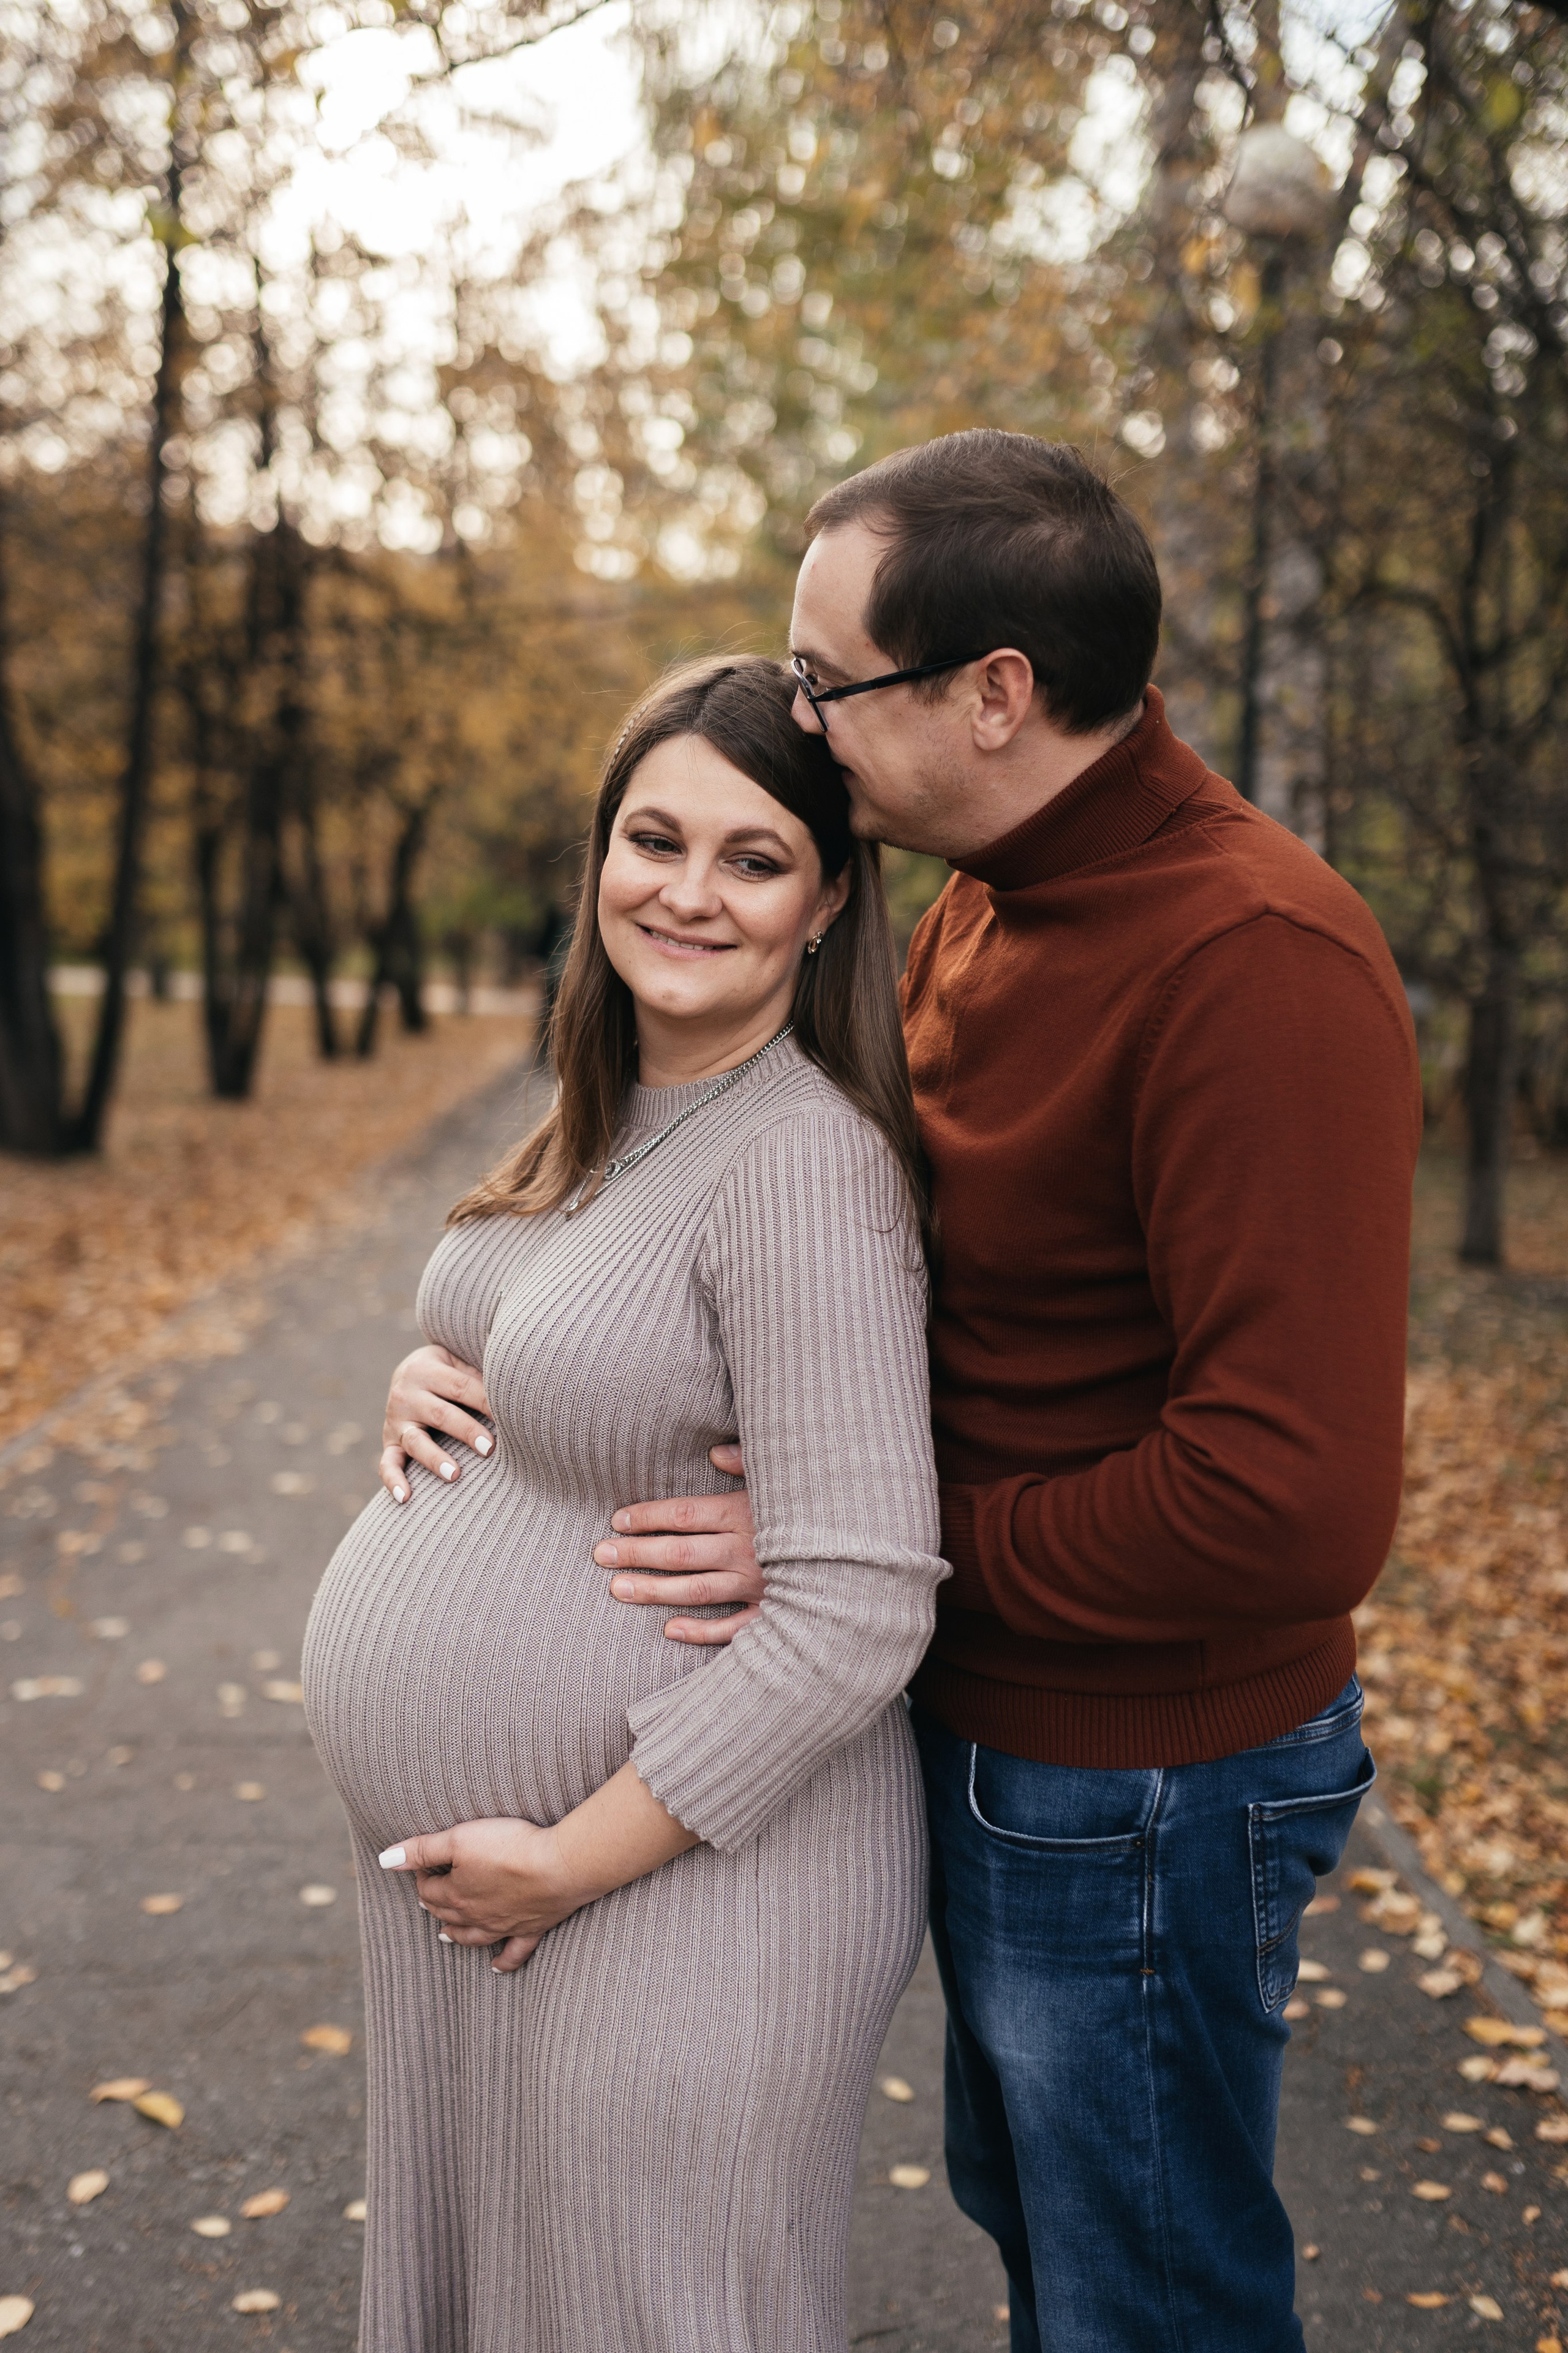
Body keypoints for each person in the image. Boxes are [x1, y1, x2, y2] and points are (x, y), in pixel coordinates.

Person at [375, 432, 1422, 2351]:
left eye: (823, 679)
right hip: (995, 1740)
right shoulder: (981, 908)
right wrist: (510, 1350)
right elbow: (867, 1300)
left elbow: (1292, 1495)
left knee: (1149, 2300)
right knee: (1058, 2252)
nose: (799, 716)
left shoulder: (1254, 962)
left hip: (1146, 1776)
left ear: (993, 696)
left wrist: (876, 1544)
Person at [303, 655, 948, 2353]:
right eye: (654, 837)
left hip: (674, 1888)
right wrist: (431, 1373)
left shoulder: (804, 1158)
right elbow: (591, 1352)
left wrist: (565, 1863)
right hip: (506, 1899)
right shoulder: (616, 1111)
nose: (688, 889)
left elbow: (860, 1606)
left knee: (635, 2314)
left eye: (753, 858)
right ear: (599, 858)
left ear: (825, 907)